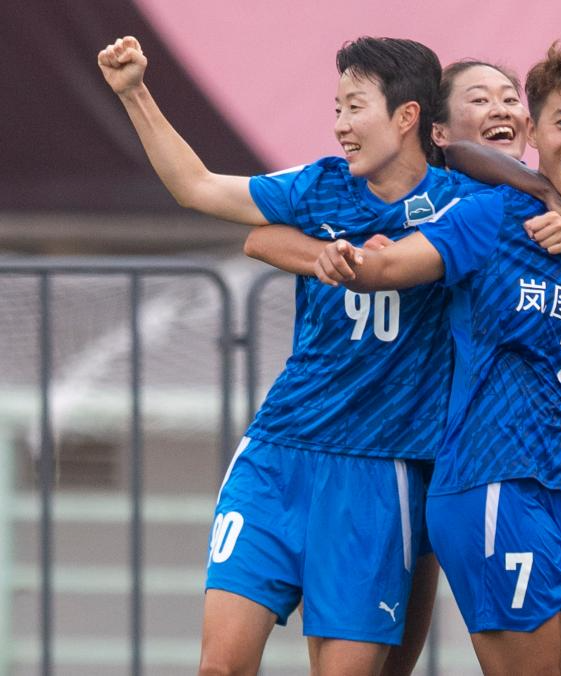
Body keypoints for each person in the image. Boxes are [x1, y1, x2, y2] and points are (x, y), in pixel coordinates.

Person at [96, 34, 494, 676]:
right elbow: (198, 188)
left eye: (354, 108)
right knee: (219, 667)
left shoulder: (465, 204)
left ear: (407, 116)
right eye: (336, 109)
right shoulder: (322, 184)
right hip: (279, 450)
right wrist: (134, 92)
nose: (340, 126)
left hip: (380, 471)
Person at [313, 38, 561, 676]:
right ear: (537, 132)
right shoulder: (492, 213)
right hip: (497, 484)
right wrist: (354, 262)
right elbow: (393, 264)